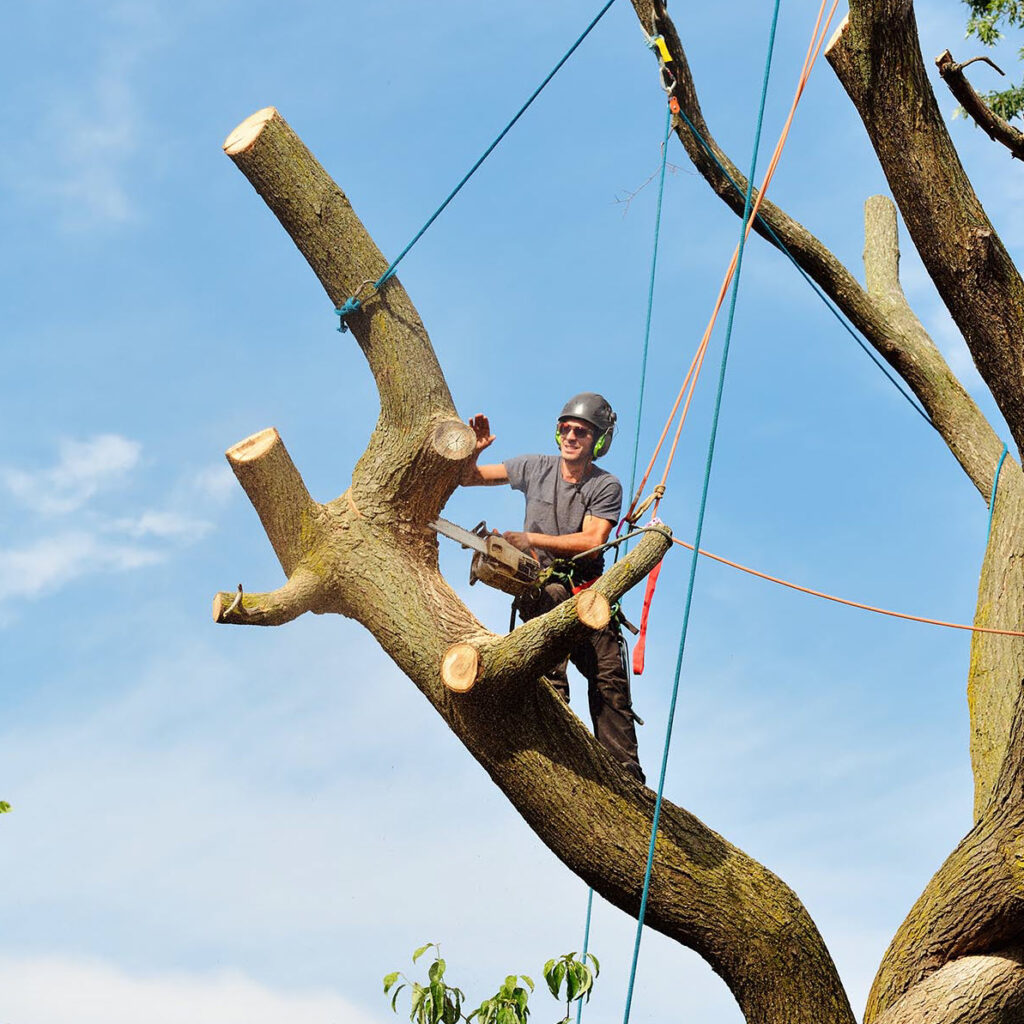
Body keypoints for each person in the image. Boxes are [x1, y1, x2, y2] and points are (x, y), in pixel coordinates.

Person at [461, 392, 645, 783]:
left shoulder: (605, 485)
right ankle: (550, 740)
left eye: (581, 431)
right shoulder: (533, 467)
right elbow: (469, 478)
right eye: (566, 428)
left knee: (609, 679)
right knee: (548, 653)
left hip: (589, 596)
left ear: (598, 441)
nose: (571, 436)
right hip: (543, 592)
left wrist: (532, 539)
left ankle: (626, 776)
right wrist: (473, 453)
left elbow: (593, 540)